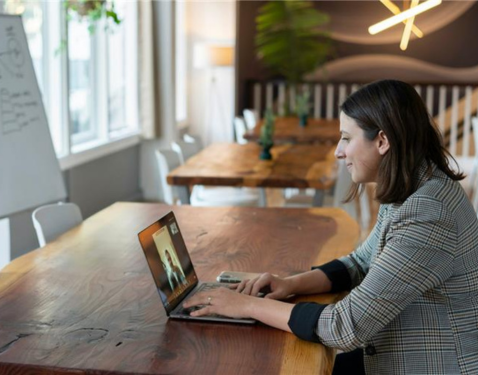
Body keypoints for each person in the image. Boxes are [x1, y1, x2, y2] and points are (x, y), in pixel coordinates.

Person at [184, 80, 478, 375]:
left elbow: (345, 326)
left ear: (382, 141)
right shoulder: (413, 185)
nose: (338, 151)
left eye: (346, 138)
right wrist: (290, 284)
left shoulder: (428, 213)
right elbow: (361, 262)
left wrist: (245, 307)